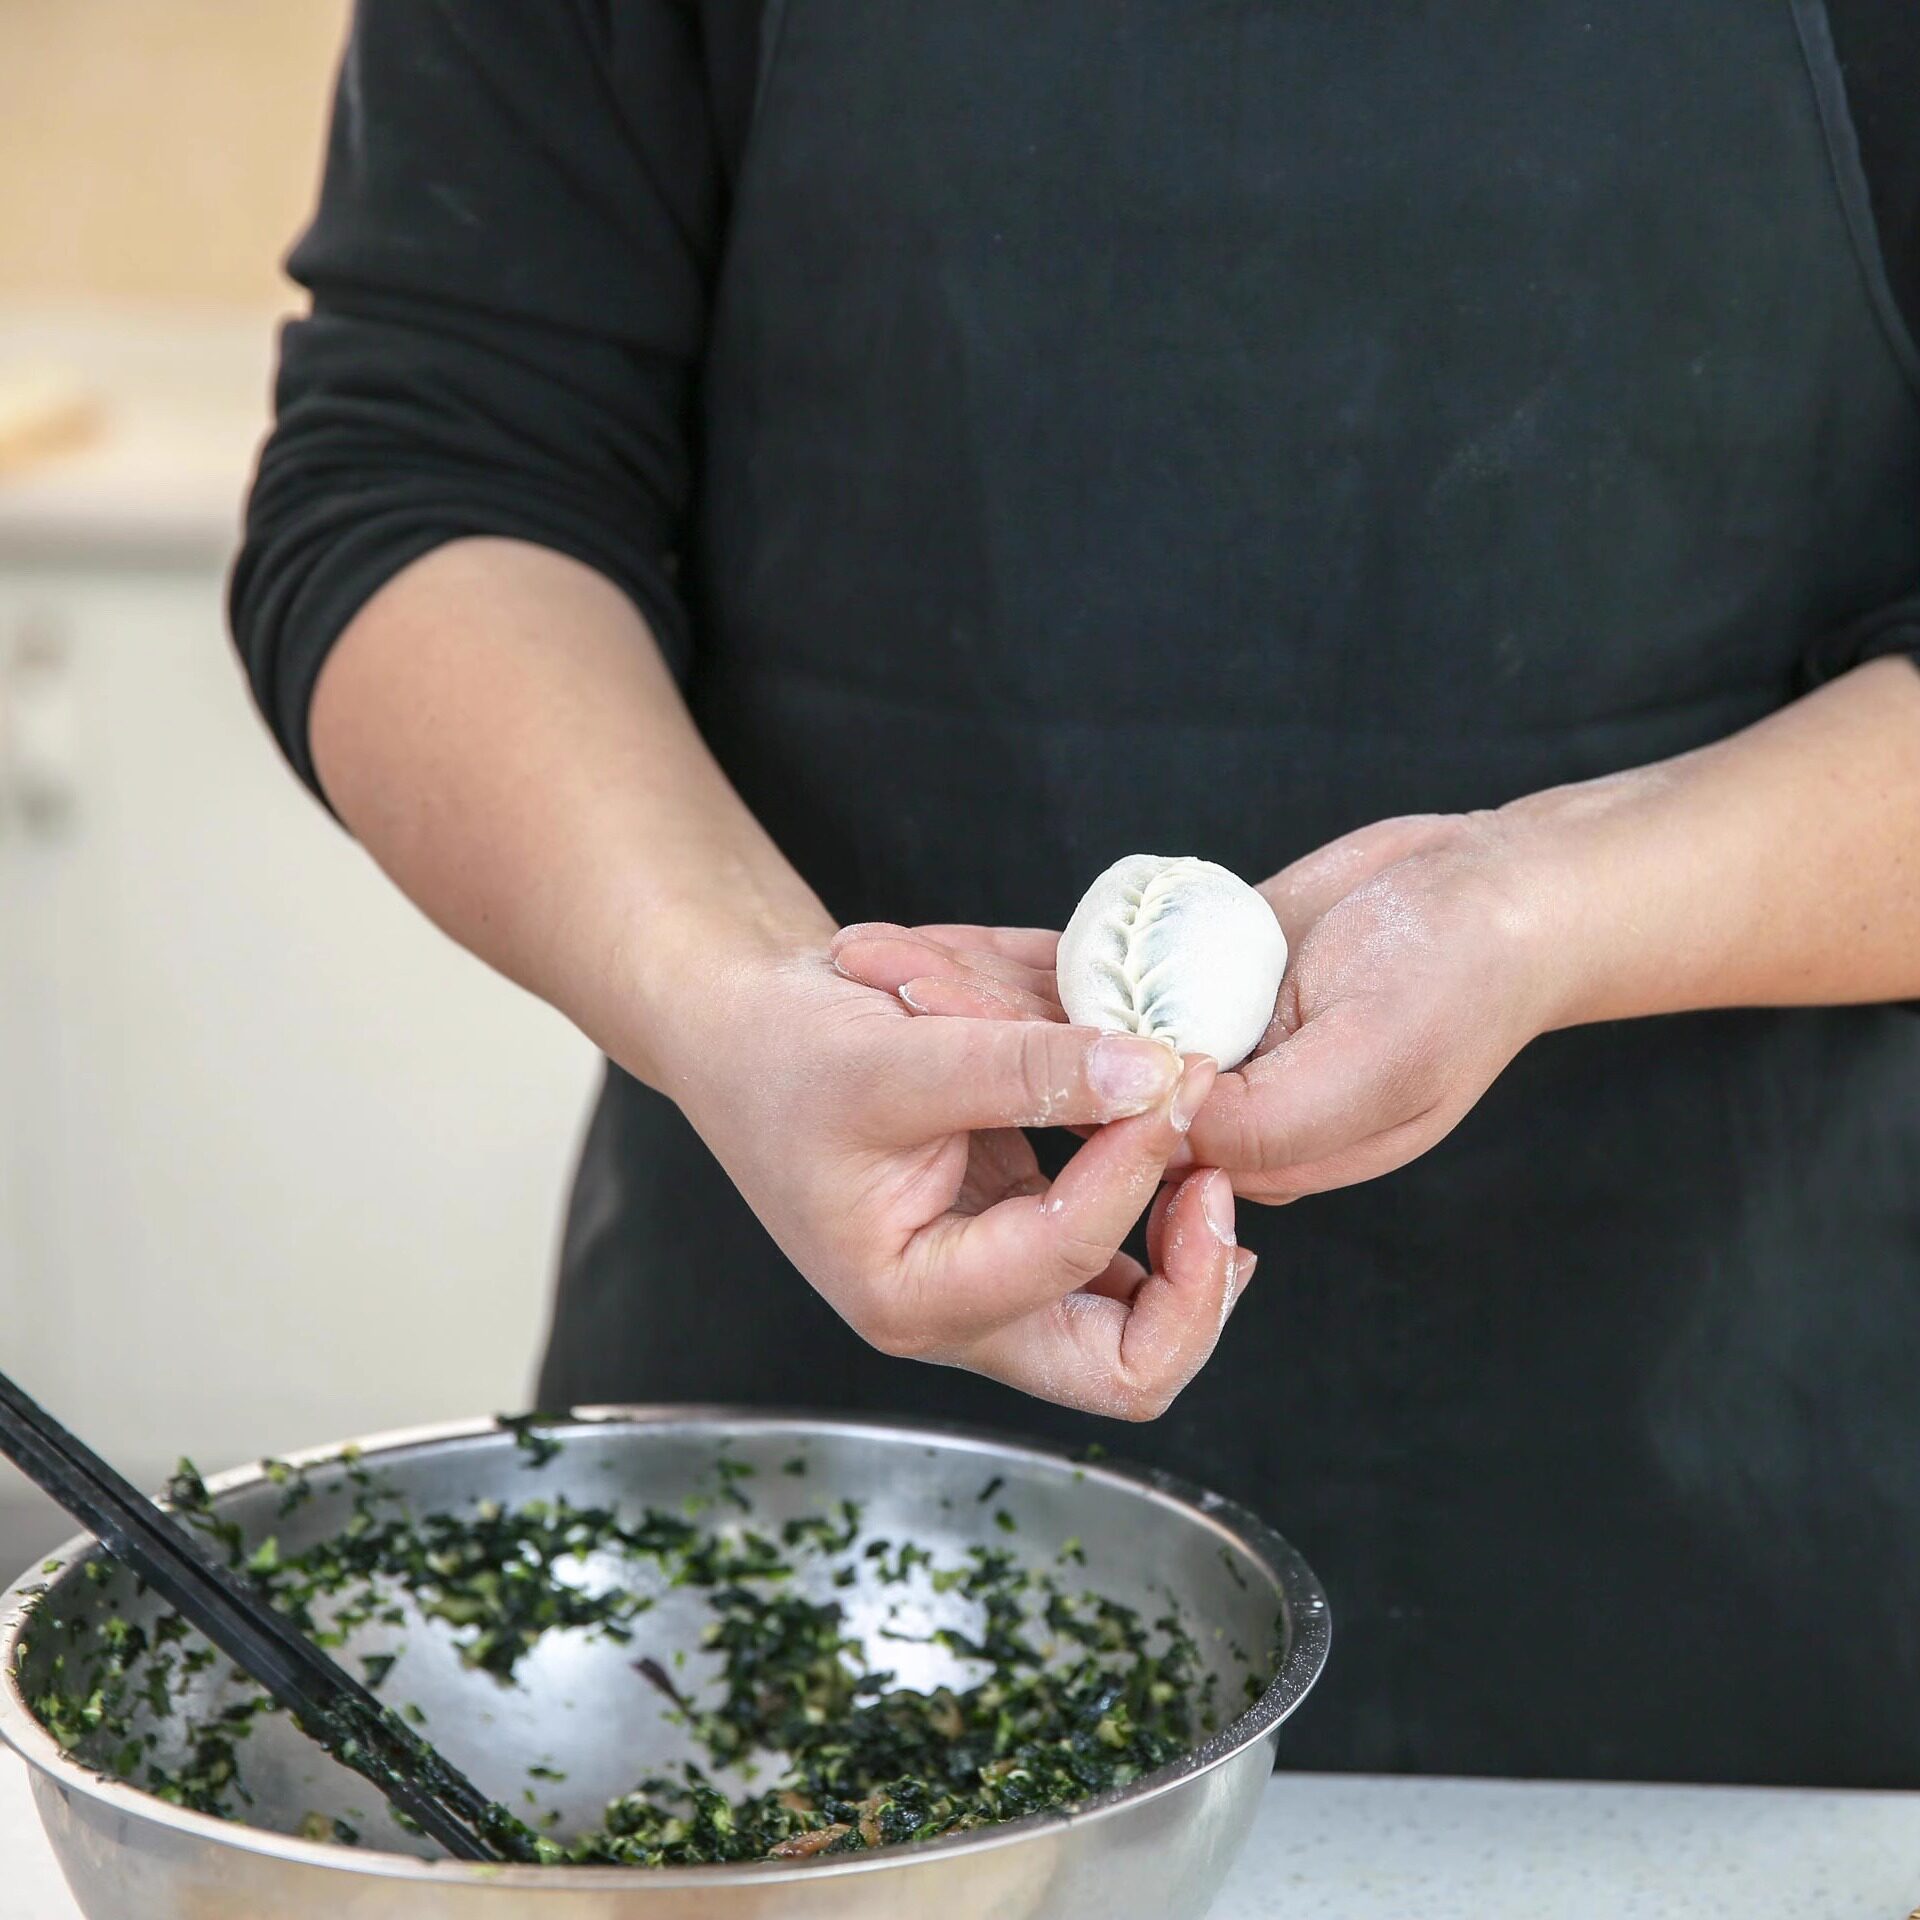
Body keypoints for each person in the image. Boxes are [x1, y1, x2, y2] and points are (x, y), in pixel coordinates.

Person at [233, 3, 1920, 1787]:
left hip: (1751, 1511)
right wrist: (731, 987)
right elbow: (431, 469)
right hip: (825, 1483)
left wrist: (1547, 911)